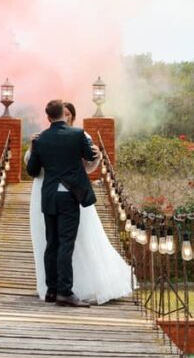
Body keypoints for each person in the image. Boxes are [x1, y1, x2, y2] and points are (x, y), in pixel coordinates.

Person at [25, 99, 134, 306]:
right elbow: (89, 157)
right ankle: (65, 292)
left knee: (52, 243)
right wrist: (93, 154)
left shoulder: (40, 140)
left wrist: (35, 148)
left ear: (48, 117)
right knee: (67, 243)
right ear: (63, 115)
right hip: (69, 195)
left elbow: (31, 171)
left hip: (48, 196)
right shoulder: (78, 135)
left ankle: (51, 290)